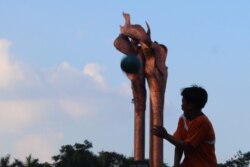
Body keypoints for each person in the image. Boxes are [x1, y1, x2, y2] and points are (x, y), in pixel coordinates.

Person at [152, 85, 217, 167]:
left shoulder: (202, 122)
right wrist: (176, 165)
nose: (181, 105)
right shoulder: (183, 119)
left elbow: (187, 146)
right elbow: (179, 144)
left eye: (183, 102)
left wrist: (165, 135)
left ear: (190, 105)